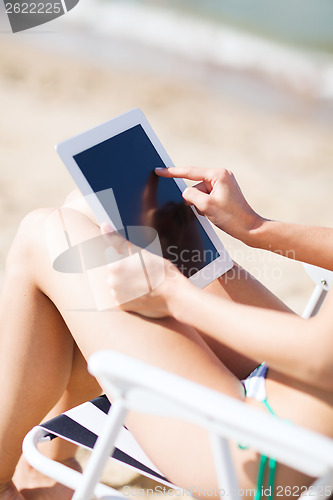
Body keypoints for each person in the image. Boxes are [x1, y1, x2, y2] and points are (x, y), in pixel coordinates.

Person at [0, 166, 332, 500]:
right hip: (295, 388)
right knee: (94, 211)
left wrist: (175, 294)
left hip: (265, 451)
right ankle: (51, 462)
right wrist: (254, 226)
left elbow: (318, 358)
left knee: (44, 233)